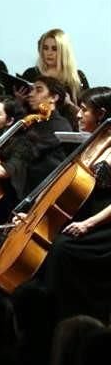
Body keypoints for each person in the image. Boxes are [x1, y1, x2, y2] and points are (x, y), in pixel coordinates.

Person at [0, 77, 73, 290]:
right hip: (23, 200)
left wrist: (18, 132)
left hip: (34, 205)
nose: (31, 93)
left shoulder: (56, 126)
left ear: (54, 97)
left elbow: (19, 159)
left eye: (38, 90)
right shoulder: (32, 123)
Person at [39, 87, 111, 320]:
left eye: (83, 110)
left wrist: (88, 224)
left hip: (103, 223)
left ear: (101, 114)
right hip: (85, 214)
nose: (78, 115)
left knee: (61, 249)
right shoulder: (91, 141)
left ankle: (74, 317)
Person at [22, 28, 89, 105]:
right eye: (45, 48)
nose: (49, 53)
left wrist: (70, 105)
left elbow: (87, 113)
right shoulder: (31, 73)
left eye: (54, 49)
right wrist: (19, 100)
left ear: (63, 51)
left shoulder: (77, 77)